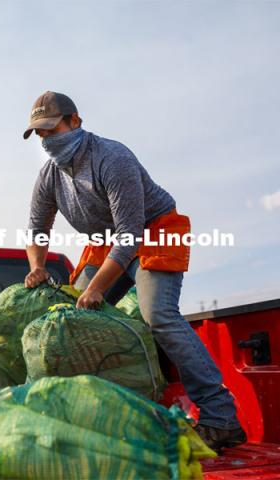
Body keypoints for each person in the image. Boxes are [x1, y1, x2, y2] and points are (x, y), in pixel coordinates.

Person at [22, 90, 246, 452]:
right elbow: (36, 229)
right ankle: (90, 417)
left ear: (75, 121)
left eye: (52, 129)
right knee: (69, 320)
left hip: (153, 231)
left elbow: (130, 236)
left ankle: (221, 417)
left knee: (158, 314)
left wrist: (96, 288)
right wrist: (36, 267)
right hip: (105, 240)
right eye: (41, 134)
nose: (48, 140)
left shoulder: (112, 157)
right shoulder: (50, 174)